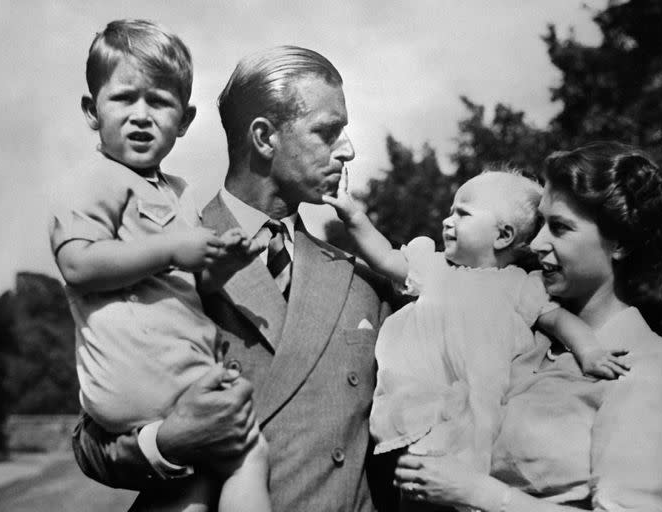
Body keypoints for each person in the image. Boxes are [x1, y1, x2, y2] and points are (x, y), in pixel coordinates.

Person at [70, 44, 396, 512]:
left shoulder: (363, 281)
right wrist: (168, 442)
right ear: (264, 138)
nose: (348, 150)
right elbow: (90, 442)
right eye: (327, 132)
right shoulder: (156, 259)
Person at [393, 142, 662, 512]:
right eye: (541, 223)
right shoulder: (521, 334)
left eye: (560, 228)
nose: (536, 242)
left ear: (618, 243)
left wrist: (478, 493)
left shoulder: (649, 368)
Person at [49, 20, 271, 512]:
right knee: (248, 452)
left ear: (185, 120)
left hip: (177, 372)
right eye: (124, 99)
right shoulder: (93, 180)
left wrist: (222, 263)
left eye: (160, 102)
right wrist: (172, 249)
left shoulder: (179, 192)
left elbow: (194, 283)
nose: (141, 116)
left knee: (194, 489)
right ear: (92, 110)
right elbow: (78, 264)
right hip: (140, 376)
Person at [325, 166, 628, 477]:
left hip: (483, 411)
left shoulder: (520, 286)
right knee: (417, 482)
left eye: (463, 214)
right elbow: (386, 257)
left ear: (502, 235)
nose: (447, 220)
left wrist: (590, 352)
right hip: (424, 401)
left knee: (467, 479)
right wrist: (353, 216)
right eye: (450, 212)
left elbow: (560, 322)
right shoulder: (436, 267)